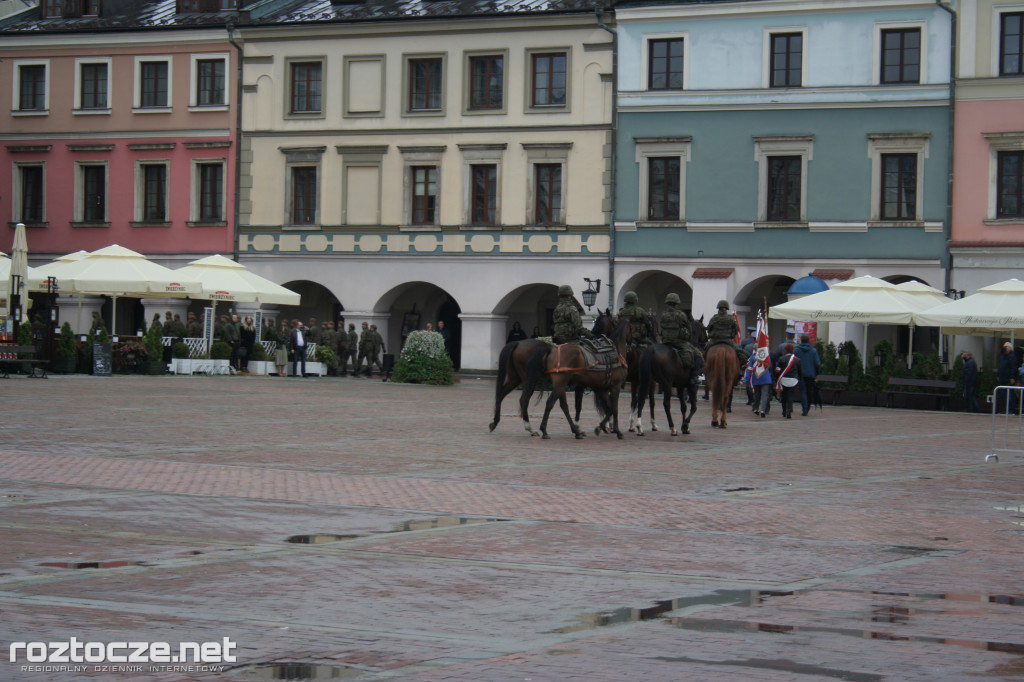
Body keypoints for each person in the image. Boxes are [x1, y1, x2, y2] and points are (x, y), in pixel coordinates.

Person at [659, 293, 700, 383]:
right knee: (698, 355)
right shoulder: (681, 315)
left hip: (665, 341)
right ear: (677, 303)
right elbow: (689, 328)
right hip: (679, 342)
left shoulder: (664, 314)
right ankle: (694, 377)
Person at [794, 333, 822, 416]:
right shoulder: (813, 350)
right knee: (809, 391)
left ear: (801, 341)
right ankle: (808, 406)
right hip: (811, 374)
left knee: (803, 391)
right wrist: (817, 373)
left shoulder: (796, 350)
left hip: (800, 373)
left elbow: (794, 361)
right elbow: (817, 363)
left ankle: (805, 408)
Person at [774, 342, 802, 418]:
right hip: (793, 380)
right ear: (793, 350)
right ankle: (789, 410)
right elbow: (800, 371)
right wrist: (800, 379)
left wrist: (776, 379)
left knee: (784, 396)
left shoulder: (781, 359)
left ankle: (784, 411)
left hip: (783, 379)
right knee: (791, 396)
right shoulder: (797, 360)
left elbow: (777, 370)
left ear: (785, 350)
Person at [744, 346, 772, 417]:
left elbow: (749, 369)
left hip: (756, 377)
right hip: (766, 377)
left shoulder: (752, 357)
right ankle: (763, 410)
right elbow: (770, 367)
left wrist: (746, 379)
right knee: (764, 395)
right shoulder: (766, 356)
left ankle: (756, 408)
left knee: (757, 394)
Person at [996, 341, 1020, 414]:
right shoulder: (1002, 356)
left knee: (1010, 395)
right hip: (1003, 379)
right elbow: (1000, 367)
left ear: (1010, 348)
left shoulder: (1012, 356)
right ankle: (1007, 410)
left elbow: (1013, 368)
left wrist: (1012, 377)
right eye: (1004, 346)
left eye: (1006, 346)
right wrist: (998, 375)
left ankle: (1011, 410)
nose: (1004, 348)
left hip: (1009, 379)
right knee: (1004, 396)